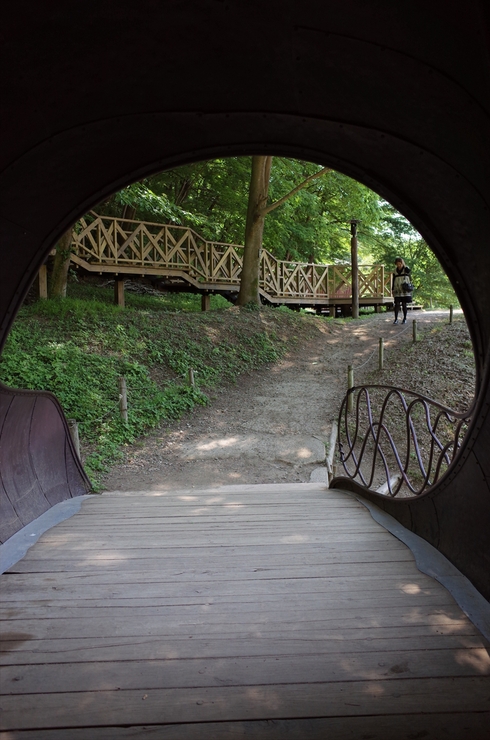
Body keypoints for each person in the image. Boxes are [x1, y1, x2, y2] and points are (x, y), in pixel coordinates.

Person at [392, 257, 413, 324]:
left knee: (404, 304)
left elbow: (409, 271)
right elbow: (393, 280)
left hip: (404, 290)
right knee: (397, 304)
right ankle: (396, 319)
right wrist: (392, 289)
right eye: (397, 264)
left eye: (400, 264)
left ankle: (405, 318)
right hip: (397, 289)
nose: (399, 265)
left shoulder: (406, 269)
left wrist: (404, 265)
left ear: (402, 263)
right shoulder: (395, 271)